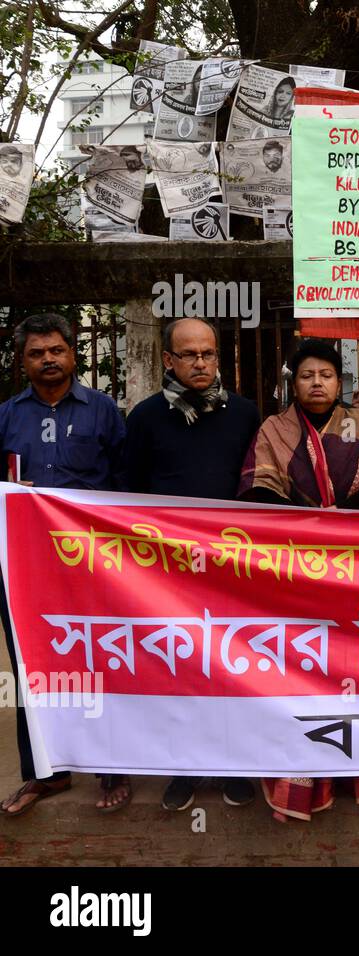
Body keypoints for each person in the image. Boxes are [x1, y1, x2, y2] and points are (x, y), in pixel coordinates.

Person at [239, 339, 359, 821]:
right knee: (298, 670)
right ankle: (297, 781)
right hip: (292, 569)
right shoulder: (274, 429)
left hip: (356, 569)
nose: (317, 382)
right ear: (293, 382)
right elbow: (260, 491)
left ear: (339, 382)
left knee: (355, 670)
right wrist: (313, 528)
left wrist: (341, 523)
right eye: (307, 375)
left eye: (326, 374)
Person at [124, 318, 262, 812]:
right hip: (168, 573)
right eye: (189, 355)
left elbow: (258, 488)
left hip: (233, 570)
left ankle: (235, 765)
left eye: (208, 353)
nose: (200, 363)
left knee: (232, 666)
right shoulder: (143, 418)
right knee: (178, 667)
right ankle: (183, 766)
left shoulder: (246, 413)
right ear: (168, 361)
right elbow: (128, 495)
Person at [0, 313, 130, 816]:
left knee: (100, 658)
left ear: (73, 354)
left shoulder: (103, 412)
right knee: (32, 665)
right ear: (23, 360)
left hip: (91, 562)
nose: (48, 360)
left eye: (56, 350)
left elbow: (125, 485)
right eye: (37, 352)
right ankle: (45, 773)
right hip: (25, 565)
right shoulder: (7, 416)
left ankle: (110, 768)